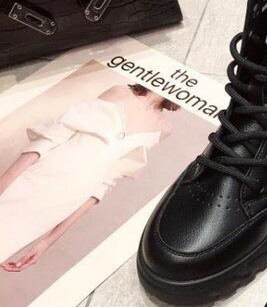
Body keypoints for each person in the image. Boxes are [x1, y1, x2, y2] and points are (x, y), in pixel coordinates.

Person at [0, 84, 178, 271]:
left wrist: (46, 242)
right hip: (40, 176)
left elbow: (104, 185)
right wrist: (3, 183)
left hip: (66, 201)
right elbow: (52, 137)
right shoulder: (119, 92)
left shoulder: (163, 128)